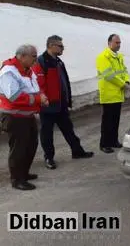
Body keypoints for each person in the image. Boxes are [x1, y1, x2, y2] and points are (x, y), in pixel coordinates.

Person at [32, 35, 94, 170]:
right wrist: (43, 99)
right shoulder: (41, 62)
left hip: (61, 105)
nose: (62, 48)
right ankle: (49, 157)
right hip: (48, 106)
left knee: (68, 130)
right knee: (47, 134)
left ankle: (77, 151)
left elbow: (64, 81)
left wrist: (67, 99)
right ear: (51, 46)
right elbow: (39, 84)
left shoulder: (58, 62)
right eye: (60, 46)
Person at [0, 44, 49, 190]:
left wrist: (41, 96)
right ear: (22, 56)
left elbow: (35, 89)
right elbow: (14, 97)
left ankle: (24, 173)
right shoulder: (9, 72)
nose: (36, 59)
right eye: (33, 56)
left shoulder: (28, 71)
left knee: (30, 146)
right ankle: (17, 179)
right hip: (14, 117)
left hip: (27, 116)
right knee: (19, 149)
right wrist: (38, 99)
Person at [96, 34, 130, 153]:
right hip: (109, 95)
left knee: (115, 120)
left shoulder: (119, 57)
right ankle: (104, 143)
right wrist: (122, 84)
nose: (119, 45)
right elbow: (109, 75)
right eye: (116, 42)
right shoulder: (103, 57)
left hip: (118, 94)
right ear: (109, 43)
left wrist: (126, 80)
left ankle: (113, 141)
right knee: (107, 121)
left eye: (120, 43)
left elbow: (124, 70)